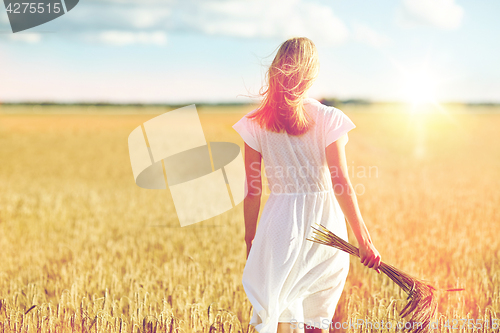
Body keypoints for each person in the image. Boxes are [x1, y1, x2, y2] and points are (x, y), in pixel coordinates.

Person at [232, 37, 381, 333]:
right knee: (317, 322)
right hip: (326, 231)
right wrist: (364, 240)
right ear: (311, 73)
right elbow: (341, 182)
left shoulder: (254, 122)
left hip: (279, 227)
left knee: (285, 319)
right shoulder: (329, 118)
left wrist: (252, 241)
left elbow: (252, 190)